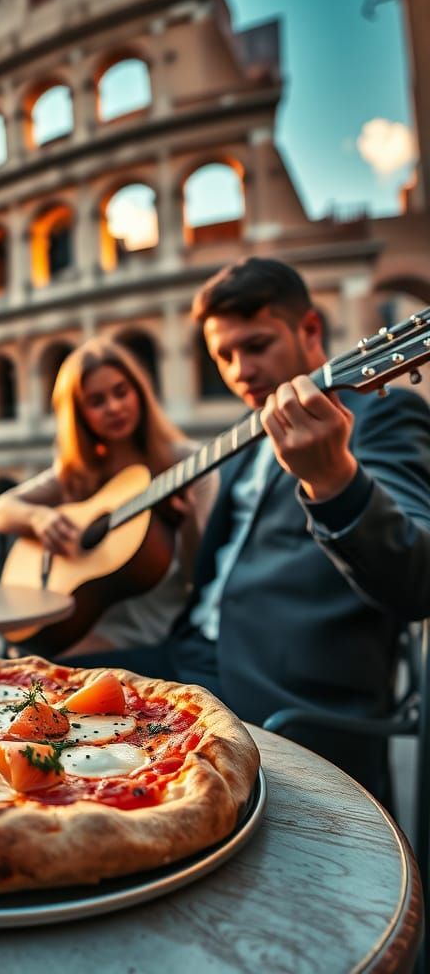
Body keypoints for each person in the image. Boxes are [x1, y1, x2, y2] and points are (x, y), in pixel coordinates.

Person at [68, 257, 430, 799]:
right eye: (224, 356)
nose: (240, 371)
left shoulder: (381, 416)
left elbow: (418, 578)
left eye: (256, 346)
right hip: (188, 663)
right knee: (41, 688)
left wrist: (335, 482)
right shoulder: (241, 437)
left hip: (285, 697)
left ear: (309, 329)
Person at [0, 335, 215, 654]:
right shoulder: (77, 473)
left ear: (139, 391)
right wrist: (39, 517)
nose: (114, 407)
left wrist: (188, 521)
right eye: (96, 401)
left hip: (146, 629)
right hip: (74, 621)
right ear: (80, 415)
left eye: (121, 392)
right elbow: (0, 509)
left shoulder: (187, 463)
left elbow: (202, 576)